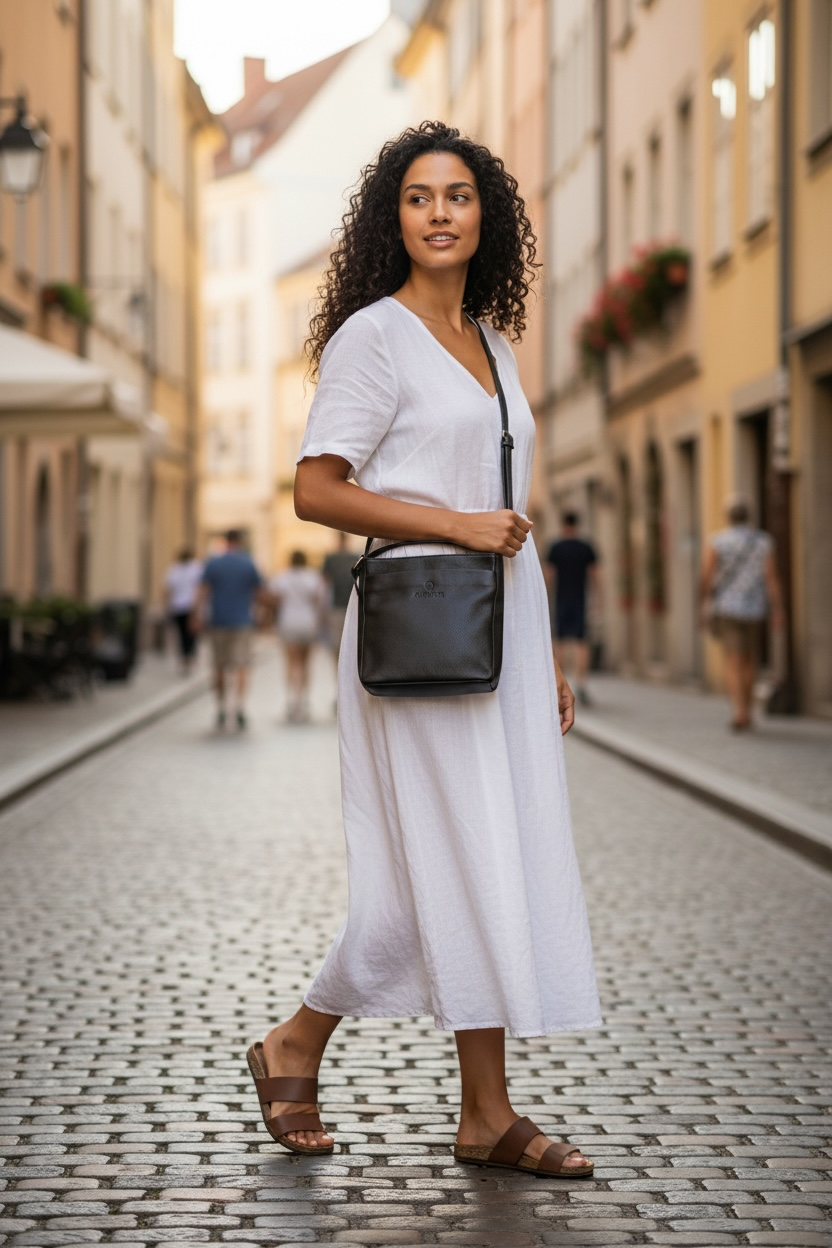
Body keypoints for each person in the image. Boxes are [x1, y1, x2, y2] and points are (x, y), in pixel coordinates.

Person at [245, 121, 601, 1180]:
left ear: (485, 214)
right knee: (436, 867)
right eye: (417, 197)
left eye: (457, 195)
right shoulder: (374, 336)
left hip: (497, 628)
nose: (439, 212)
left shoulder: (492, 344)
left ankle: (475, 1110)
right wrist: (456, 527)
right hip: (418, 628)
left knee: (481, 856)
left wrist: (542, 656)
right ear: (391, 219)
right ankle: (315, 1047)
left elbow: (506, 503)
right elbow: (316, 489)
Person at [700, 495, 783, 731]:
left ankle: (740, 711)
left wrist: (704, 603)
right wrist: (777, 608)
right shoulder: (763, 541)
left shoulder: (718, 541)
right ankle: (749, 709)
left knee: (733, 660)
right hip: (755, 608)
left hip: (727, 607)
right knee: (750, 660)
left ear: (728, 517)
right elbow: (771, 577)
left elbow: (707, 575)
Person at [192, 529, 264, 731]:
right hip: (242, 621)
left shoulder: (214, 562)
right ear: (240, 541)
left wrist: (195, 615)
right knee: (242, 665)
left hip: (218, 621)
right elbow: (258, 592)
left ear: (225, 541)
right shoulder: (248, 562)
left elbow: (202, 590)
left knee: (219, 666)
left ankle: (221, 707)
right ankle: (239, 707)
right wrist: (263, 616)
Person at [544, 513, 599, 706]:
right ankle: (581, 685)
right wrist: (596, 599)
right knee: (581, 643)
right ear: (576, 525)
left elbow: (549, 576)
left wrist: (545, 600)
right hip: (579, 600)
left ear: (563, 525)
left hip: (561, 600)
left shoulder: (556, 548)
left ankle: (560, 683)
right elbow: (594, 575)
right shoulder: (585, 547)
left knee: (559, 642)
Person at [269, 551, 328, 723]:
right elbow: (320, 601)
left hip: (288, 621)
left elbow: (275, 600)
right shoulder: (313, 577)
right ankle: (304, 700)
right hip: (308, 621)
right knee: (306, 663)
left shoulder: (282, 577)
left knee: (291, 662)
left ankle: (291, 700)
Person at [164, 549, 202, 674]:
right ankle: (190, 656)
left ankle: (185, 657)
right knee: (192, 633)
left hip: (178, 606)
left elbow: (168, 589)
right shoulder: (196, 569)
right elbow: (200, 588)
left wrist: (167, 606)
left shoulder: (174, 570)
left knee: (182, 634)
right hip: (191, 606)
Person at [321, 532, 358, 663]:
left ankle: (337, 672)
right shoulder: (355, 557)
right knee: (351, 643)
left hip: (338, 604)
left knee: (337, 644)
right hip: (351, 605)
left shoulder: (331, 558)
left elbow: (325, 583)